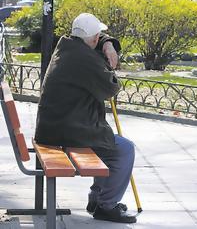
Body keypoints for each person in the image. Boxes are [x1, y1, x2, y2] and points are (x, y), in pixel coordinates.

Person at [34, 13, 136, 223]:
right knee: (123, 150)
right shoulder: (84, 59)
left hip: (55, 127)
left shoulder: (68, 47)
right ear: (94, 39)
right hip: (66, 131)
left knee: (109, 146)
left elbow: (95, 47)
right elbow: (111, 87)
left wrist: (107, 43)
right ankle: (106, 205)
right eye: (100, 37)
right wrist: (108, 56)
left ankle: (98, 198)